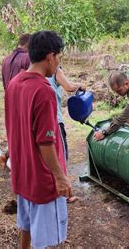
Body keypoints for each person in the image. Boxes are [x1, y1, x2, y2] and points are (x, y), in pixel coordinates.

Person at [5, 31, 71, 249]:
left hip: (23, 174)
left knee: (26, 225)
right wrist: (60, 178)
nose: (58, 64)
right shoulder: (44, 90)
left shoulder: (14, 84)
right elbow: (45, 142)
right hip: (43, 180)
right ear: (50, 57)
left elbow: (15, 127)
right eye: (59, 58)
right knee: (45, 240)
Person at [47, 67, 85, 203]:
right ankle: (67, 194)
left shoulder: (32, 70)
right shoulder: (54, 69)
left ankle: (53, 188)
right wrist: (80, 85)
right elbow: (69, 87)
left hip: (42, 120)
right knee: (61, 155)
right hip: (55, 121)